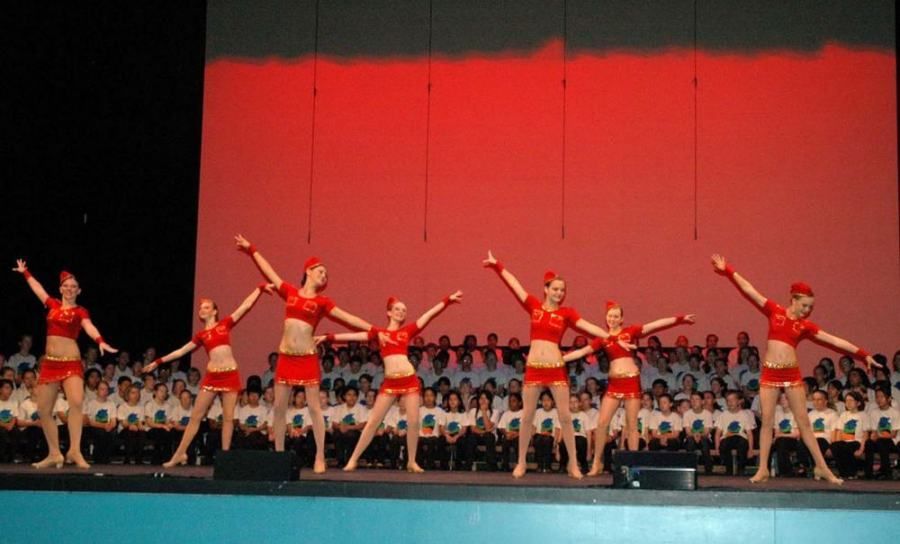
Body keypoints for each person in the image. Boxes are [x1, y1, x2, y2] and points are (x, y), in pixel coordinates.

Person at [711, 254, 879, 485]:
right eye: (804, 306)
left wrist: (863, 354)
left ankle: (822, 468)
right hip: (770, 372)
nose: (807, 310)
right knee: (768, 421)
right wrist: (728, 270)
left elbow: (835, 341)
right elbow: (750, 290)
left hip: (791, 373)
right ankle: (762, 470)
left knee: (804, 422)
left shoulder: (805, 325)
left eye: (810, 307)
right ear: (794, 299)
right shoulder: (775, 311)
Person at [236, 234, 376, 473]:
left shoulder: (323, 303)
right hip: (286, 356)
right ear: (309, 270)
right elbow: (270, 272)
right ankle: (279, 456)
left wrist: (373, 329)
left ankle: (320, 456)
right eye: (321, 271)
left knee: (314, 408)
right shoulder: (290, 292)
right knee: (280, 407)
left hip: (307, 357)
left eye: (326, 274)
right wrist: (252, 250)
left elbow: (348, 318)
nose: (324, 275)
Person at [483, 251, 626, 479]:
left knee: (566, 416)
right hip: (534, 367)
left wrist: (615, 336)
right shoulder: (534, 307)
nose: (559, 293)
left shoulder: (566, 313)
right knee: (527, 415)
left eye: (562, 290)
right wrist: (497, 265)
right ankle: (520, 462)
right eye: (555, 289)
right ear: (546, 289)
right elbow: (515, 286)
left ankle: (573, 464)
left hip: (555, 367)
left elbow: (588, 327)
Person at [317, 291, 462, 472]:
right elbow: (356, 335)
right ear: (389, 312)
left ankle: (411, 461)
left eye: (404, 310)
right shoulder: (379, 333)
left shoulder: (406, 332)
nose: (401, 312)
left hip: (409, 380)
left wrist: (447, 300)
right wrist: (328, 337)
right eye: (397, 309)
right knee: (373, 422)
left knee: (414, 422)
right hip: (390, 383)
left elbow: (428, 316)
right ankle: (353, 459)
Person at [143, 285, 271, 467]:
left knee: (228, 418)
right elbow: (181, 351)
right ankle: (179, 454)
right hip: (212, 377)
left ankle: (225, 458)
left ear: (215, 311)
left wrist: (259, 289)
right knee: (196, 416)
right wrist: (158, 361)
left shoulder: (225, 324)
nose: (202, 310)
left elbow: (245, 306)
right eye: (200, 307)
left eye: (206, 307)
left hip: (229, 375)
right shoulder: (201, 335)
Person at [563, 300, 694, 475]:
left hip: (631, 381)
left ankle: (633, 466)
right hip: (614, 383)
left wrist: (680, 319)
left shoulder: (629, 332)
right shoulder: (602, 337)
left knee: (632, 425)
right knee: (602, 424)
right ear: (606, 318)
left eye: (616, 316)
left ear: (622, 319)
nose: (613, 319)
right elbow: (582, 352)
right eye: (610, 316)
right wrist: (560, 360)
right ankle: (597, 463)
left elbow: (654, 325)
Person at [13, 261, 118, 469]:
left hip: (71, 361)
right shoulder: (52, 304)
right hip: (50, 363)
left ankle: (75, 450)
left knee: (77, 402)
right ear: (61, 289)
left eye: (73, 286)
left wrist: (100, 341)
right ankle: (54, 454)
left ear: (79, 290)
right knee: (43, 410)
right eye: (66, 286)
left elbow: (89, 326)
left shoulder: (80, 311)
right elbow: (38, 289)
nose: (69, 289)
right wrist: (26, 273)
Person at [713, 390, 756, 476]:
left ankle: (741, 469)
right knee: (724, 445)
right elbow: (718, 433)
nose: (730, 403)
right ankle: (729, 469)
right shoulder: (723, 415)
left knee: (742, 444)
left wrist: (751, 449)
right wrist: (717, 448)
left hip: (740, 437)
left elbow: (749, 434)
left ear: (739, 401)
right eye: (728, 400)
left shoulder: (744, 415)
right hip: (727, 437)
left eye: (733, 400)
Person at [830, 391, 869, 479]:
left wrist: (861, 449)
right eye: (846, 401)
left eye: (851, 400)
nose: (848, 403)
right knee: (835, 446)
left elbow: (865, 434)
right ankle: (843, 473)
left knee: (848, 447)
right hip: (844, 441)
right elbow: (839, 431)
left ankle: (851, 472)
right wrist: (838, 443)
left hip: (856, 442)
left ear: (858, 403)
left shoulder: (863, 415)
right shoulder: (844, 414)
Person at [865, 385, 899, 479]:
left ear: (889, 399)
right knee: (868, 443)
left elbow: (893, 434)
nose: (879, 399)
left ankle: (886, 472)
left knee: (881, 442)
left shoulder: (895, 413)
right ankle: (868, 473)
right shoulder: (874, 412)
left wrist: (878, 435)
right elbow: (873, 431)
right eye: (877, 397)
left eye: (882, 397)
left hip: (892, 441)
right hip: (879, 439)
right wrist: (873, 436)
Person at [83, 380, 117, 464]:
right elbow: (89, 421)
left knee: (112, 433)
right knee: (100, 433)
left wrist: (110, 426)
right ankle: (98, 458)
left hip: (108, 426)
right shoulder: (91, 403)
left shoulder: (111, 404)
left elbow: (113, 420)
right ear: (97, 391)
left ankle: (106, 457)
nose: (104, 392)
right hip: (94, 427)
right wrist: (103, 426)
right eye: (102, 389)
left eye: (106, 389)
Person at [465, 391, 499, 470]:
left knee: (489, 436)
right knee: (471, 438)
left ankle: (491, 465)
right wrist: (483, 432)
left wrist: (484, 411)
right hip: (478, 435)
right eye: (481, 398)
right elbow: (473, 429)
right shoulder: (473, 411)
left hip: (490, 436)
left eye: (486, 398)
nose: (483, 400)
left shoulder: (495, 412)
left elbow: (488, 427)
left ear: (490, 400)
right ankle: (468, 464)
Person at [683, 391, 715, 473]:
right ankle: (689, 468)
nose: (694, 402)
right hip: (690, 437)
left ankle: (708, 469)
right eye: (692, 399)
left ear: (702, 401)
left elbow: (707, 431)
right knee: (690, 442)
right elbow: (688, 431)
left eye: (697, 399)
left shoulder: (707, 414)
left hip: (705, 437)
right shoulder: (687, 414)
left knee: (704, 442)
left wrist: (699, 435)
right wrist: (694, 435)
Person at [772, 392, 800, 476]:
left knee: (782, 442)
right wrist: (777, 437)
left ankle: (785, 472)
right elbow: (776, 432)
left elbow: (796, 434)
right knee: (775, 444)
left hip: (794, 440)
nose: (783, 401)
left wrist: (780, 436)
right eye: (781, 398)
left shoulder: (796, 413)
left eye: (786, 398)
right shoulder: (777, 412)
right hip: (781, 439)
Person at [117, 385, 146, 464]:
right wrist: (131, 425)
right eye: (133, 393)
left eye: (137, 393)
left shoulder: (141, 407)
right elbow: (123, 423)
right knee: (130, 433)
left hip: (136, 428)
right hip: (124, 429)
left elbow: (140, 422)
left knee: (142, 433)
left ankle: (139, 458)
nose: (136, 395)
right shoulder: (122, 407)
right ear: (128, 394)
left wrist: (140, 426)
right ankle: (127, 458)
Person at [497, 392, 523, 472]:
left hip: (520, 436)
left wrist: (517, 434)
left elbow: (528, 428)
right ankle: (505, 465)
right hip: (508, 436)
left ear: (520, 402)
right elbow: (501, 427)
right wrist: (506, 434)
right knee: (505, 441)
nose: (511, 403)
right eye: (510, 401)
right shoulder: (506, 414)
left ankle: (520, 465)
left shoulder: (524, 413)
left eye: (514, 401)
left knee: (519, 442)